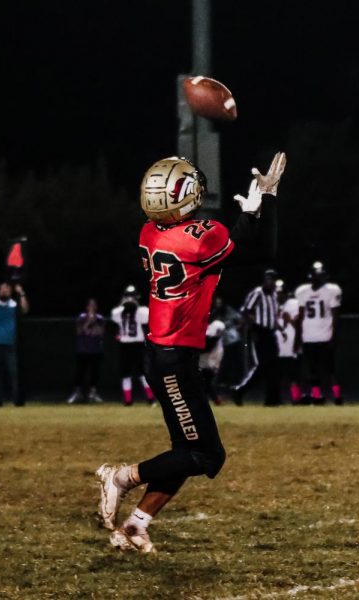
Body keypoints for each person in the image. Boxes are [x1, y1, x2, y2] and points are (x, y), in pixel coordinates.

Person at [95, 151, 286, 554]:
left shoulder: (150, 233)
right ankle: (122, 477)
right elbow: (260, 251)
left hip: (165, 353)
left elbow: (220, 248)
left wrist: (247, 220)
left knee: (187, 449)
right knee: (206, 454)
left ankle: (136, 525)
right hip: (172, 360)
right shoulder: (201, 235)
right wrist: (265, 202)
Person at [294, 261, 343, 405]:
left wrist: (334, 336)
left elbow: (335, 315)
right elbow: (301, 315)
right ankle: (317, 397)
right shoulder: (303, 291)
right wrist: (299, 337)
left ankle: (337, 397)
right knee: (313, 370)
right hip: (309, 336)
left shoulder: (332, 290)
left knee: (330, 370)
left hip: (324, 336)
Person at [233, 269, 281, 406]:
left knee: (272, 367)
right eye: (268, 279)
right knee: (264, 366)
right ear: (264, 280)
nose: (270, 282)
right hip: (260, 332)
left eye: (272, 280)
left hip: (270, 333)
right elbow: (246, 311)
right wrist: (253, 328)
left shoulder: (273, 296)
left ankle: (272, 400)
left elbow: (272, 316)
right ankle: (240, 390)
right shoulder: (257, 293)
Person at [110, 285, 154, 406]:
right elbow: (146, 317)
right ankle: (145, 399)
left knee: (134, 373)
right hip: (134, 345)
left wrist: (125, 303)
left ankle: (131, 400)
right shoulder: (142, 311)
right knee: (134, 373)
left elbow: (116, 314)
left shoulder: (118, 312)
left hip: (130, 346)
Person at [67, 299, 105, 404]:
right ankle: (77, 393)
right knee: (79, 373)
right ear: (87, 307)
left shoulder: (100, 318)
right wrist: (89, 321)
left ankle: (93, 393)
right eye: (90, 305)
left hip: (95, 350)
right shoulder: (82, 317)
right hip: (83, 350)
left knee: (94, 373)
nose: (92, 307)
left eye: (94, 305)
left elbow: (100, 333)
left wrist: (94, 322)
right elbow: (79, 331)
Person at [275, 280, 302, 404]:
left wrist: (290, 319)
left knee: (294, 375)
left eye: (281, 292)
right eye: (277, 292)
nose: (278, 295)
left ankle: (296, 399)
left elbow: (300, 325)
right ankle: (277, 399)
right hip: (277, 346)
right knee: (277, 375)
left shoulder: (293, 303)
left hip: (291, 346)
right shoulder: (272, 304)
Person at [198, 317, 226, 406]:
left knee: (204, 381)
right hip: (207, 360)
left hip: (209, 361)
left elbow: (207, 347)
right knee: (204, 382)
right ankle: (215, 399)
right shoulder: (208, 330)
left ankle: (215, 399)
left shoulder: (214, 331)